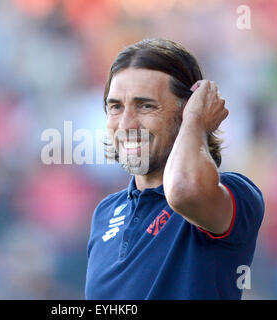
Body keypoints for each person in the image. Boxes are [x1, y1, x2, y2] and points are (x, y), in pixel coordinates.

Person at [85, 38, 265, 300]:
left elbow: (184, 190)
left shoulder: (234, 193)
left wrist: (196, 122)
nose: (126, 124)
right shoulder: (106, 212)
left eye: (145, 106)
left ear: (188, 110)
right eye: (115, 107)